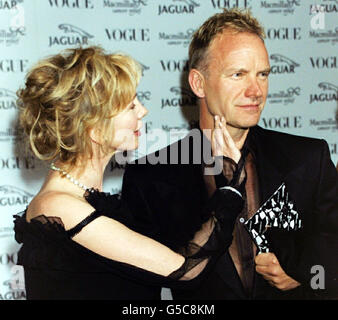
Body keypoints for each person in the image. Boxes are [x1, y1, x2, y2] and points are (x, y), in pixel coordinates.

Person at [122, 9, 338, 300]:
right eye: (238, 74)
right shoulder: (149, 178)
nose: (256, 90)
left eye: (262, 74)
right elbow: (138, 299)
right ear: (198, 83)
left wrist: (307, 275)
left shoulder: (309, 158)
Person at [13, 46, 247, 300]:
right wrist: (230, 189)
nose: (143, 111)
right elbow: (185, 270)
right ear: (94, 126)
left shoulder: (86, 201)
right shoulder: (60, 207)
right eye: (130, 105)